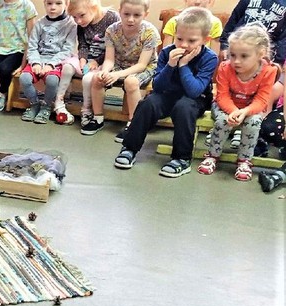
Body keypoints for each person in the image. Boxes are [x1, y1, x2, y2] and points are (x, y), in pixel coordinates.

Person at [113, 7, 218, 178]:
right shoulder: (167, 52)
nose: (184, 45)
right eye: (179, 38)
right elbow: (158, 86)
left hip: (196, 98)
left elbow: (194, 91)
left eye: (192, 40)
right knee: (148, 103)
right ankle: (129, 148)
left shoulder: (209, 58)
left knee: (183, 107)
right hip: (168, 94)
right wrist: (170, 65)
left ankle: (182, 159)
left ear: (206, 40)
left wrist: (183, 65)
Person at [198, 24, 278, 181]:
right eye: (233, 55)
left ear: (261, 53)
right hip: (224, 106)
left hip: (251, 109)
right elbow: (222, 96)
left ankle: (244, 160)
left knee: (253, 122)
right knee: (223, 120)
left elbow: (262, 99)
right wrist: (234, 111)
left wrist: (244, 112)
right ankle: (212, 155)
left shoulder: (269, 71)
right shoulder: (225, 67)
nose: (236, 61)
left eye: (244, 56)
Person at [82, 0, 160, 138]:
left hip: (145, 66)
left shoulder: (150, 32)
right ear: (120, 12)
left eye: (137, 15)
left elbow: (142, 65)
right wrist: (105, 71)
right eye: (126, 14)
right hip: (119, 63)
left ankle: (133, 124)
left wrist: (118, 75)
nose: (130, 19)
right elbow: (109, 60)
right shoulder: (112, 30)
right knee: (97, 78)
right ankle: (98, 118)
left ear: (145, 14)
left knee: (131, 82)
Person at [218, 0, 286, 148]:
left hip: (264, 58)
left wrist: (278, 61)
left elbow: (284, 36)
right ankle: (223, 126)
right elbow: (235, 18)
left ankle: (247, 132)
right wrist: (224, 45)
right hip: (240, 52)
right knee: (234, 89)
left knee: (262, 94)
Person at [55, 0, 119, 125]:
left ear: (94, 7)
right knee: (67, 67)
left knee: (87, 79)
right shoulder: (81, 24)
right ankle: (59, 102)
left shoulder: (111, 18)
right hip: (88, 59)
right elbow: (83, 44)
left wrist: (96, 61)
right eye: (74, 17)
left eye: (81, 15)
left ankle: (86, 110)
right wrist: (82, 60)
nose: (78, 21)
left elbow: (115, 48)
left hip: (105, 61)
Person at [18, 0, 78, 124]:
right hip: (38, 59)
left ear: (66, 4)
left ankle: (46, 106)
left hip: (56, 62)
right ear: (44, 4)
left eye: (58, 3)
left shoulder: (71, 25)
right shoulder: (40, 23)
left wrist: (51, 65)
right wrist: (35, 62)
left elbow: (67, 50)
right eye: (49, 3)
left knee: (52, 80)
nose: (53, 7)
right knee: (24, 78)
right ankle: (34, 104)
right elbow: (32, 46)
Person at [0, 0, 38, 112]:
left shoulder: (27, 5)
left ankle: (2, 93)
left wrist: (23, 64)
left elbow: (32, 36)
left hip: (18, 50)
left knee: (4, 69)